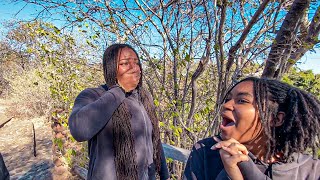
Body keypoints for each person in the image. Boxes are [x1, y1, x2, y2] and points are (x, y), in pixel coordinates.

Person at [184, 76, 320, 180]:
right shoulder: (206, 151)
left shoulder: (312, 171)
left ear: (276, 119)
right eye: (227, 99)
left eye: (242, 101)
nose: (226, 105)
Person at [69, 44, 169, 180]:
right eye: (125, 63)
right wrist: (120, 90)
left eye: (137, 62)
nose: (134, 68)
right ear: (111, 68)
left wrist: (164, 174)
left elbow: (154, 139)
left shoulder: (144, 97)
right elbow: (79, 130)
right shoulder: (94, 95)